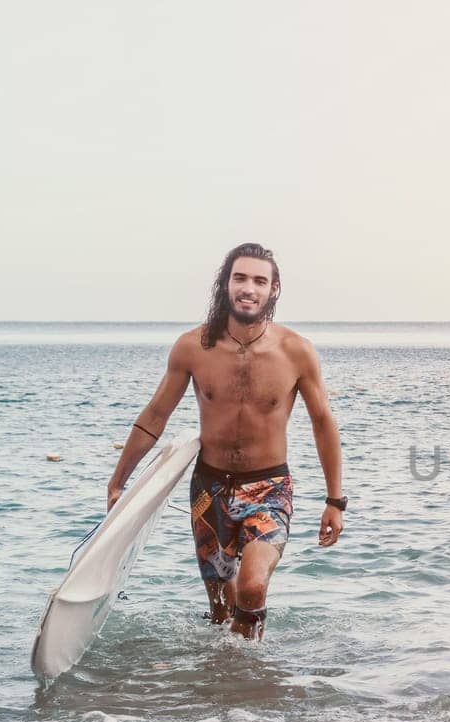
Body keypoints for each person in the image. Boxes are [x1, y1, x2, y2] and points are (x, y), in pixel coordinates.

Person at [106, 243, 346, 639]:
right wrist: (119, 481)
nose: (248, 288)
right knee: (220, 610)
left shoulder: (296, 352)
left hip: (269, 487)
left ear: (274, 289)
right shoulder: (192, 347)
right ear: (225, 284)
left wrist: (335, 501)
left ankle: (252, 681)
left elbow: (323, 423)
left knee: (252, 587)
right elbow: (155, 417)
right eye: (240, 278)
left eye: (259, 280)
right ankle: (226, 685)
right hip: (209, 490)